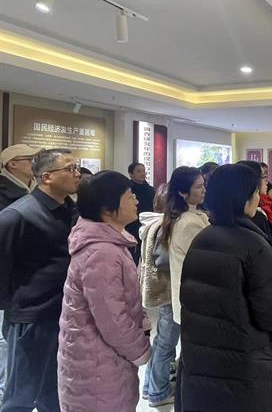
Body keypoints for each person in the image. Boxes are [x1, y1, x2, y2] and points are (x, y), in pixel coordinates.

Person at [177, 164, 272, 412]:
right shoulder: (253, 245)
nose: (258, 197)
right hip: (244, 367)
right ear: (244, 199)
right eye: (255, 192)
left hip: (203, 362)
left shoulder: (202, 238)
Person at [57, 170, 151, 412]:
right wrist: (140, 349)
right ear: (108, 209)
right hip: (97, 365)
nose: (136, 200)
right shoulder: (102, 253)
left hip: (101, 359)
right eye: (129, 196)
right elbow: (112, 319)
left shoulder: (109, 242)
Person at [0, 148, 80, 412]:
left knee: (55, 391)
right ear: (47, 177)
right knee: (20, 395)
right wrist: (17, 307)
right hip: (31, 317)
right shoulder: (17, 215)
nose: (77, 173)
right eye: (70, 168)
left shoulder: (71, 210)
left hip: (64, 313)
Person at [0, 144, 38, 403]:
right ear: (12, 164)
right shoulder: (6, 195)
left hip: (27, 276)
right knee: (5, 339)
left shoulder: (31, 190)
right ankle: (6, 389)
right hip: (9, 275)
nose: (34, 163)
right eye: (29, 159)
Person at [139, 183, 179, 407]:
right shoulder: (165, 226)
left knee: (162, 340)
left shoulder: (151, 222)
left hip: (163, 292)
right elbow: (163, 260)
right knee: (166, 342)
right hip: (170, 291)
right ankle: (158, 392)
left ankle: (149, 387)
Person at [163, 167, 209, 328]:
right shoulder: (188, 223)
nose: (204, 190)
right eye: (198, 187)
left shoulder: (192, 215)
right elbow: (203, 262)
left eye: (203, 185)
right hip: (194, 296)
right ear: (183, 192)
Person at [125, 162, 155, 265]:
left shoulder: (151, 190)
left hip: (148, 225)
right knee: (132, 256)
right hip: (132, 225)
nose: (143, 173)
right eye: (139, 171)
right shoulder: (127, 190)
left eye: (144, 171)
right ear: (131, 174)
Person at [0, 144, 38, 211]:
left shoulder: (40, 186)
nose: (36, 163)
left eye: (36, 159)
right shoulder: (2, 193)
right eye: (30, 159)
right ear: (12, 164)